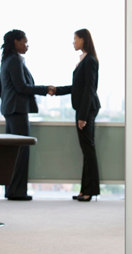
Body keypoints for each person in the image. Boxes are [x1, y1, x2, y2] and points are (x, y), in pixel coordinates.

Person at [0, 29, 54, 201]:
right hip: (17, 110)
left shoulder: (6, 60)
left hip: (10, 109)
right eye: (25, 42)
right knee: (22, 151)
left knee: (14, 151)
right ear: (16, 42)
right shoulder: (15, 60)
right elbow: (21, 87)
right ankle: (18, 192)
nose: (27, 46)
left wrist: (8, 100)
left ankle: (11, 190)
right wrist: (45, 89)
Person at [52, 29, 102, 202]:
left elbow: (89, 89)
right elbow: (77, 87)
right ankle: (85, 190)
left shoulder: (89, 61)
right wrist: (57, 91)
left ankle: (90, 191)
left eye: (75, 39)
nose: (73, 42)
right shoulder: (84, 59)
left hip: (86, 110)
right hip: (83, 109)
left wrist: (83, 116)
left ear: (83, 40)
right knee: (86, 151)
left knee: (89, 151)